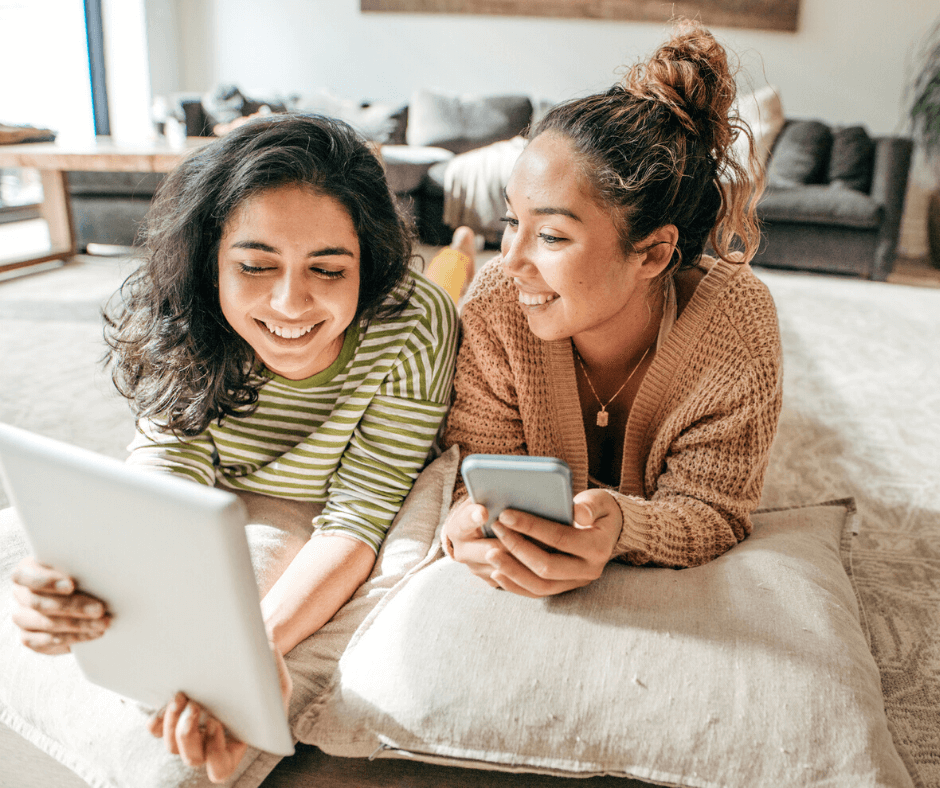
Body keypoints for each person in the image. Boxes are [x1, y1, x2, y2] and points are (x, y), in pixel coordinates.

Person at [10, 113, 458, 782]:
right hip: (227, 481)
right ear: (210, 260)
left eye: (329, 269)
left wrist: (247, 655)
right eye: (254, 265)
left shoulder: (412, 322)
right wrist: (77, 585)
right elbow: (164, 474)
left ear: (367, 265)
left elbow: (358, 513)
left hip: (325, 494)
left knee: (456, 281)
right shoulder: (182, 314)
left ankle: (464, 255)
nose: (289, 303)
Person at [440, 20, 783, 598]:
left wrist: (626, 526)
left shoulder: (736, 326)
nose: (515, 259)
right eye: (510, 222)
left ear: (651, 253)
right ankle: (458, 249)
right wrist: (465, 524)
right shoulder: (497, 302)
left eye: (550, 236)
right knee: (446, 284)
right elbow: (470, 468)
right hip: (459, 294)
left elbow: (715, 509)